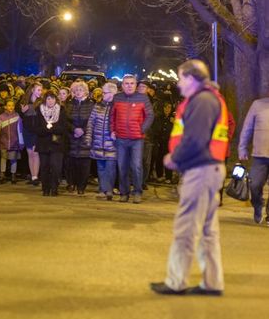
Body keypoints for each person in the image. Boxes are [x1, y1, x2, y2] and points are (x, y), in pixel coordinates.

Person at [151, 59, 229, 296]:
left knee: (186, 227)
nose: (178, 83)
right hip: (210, 169)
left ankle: (176, 282)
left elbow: (195, 139)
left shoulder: (202, 101)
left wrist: (174, 158)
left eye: (181, 77)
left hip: (201, 170)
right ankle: (212, 282)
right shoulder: (208, 99)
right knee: (207, 230)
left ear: (192, 79)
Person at [111, 74, 154, 203]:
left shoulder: (143, 98)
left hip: (137, 139)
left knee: (136, 166)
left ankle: (137, 192)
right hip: (121, 138)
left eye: (132, 83)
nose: (129, 86)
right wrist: (112, 130)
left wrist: (142, 129)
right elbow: (112, 116)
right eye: (126, 83)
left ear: (136, 85)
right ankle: (124, 193)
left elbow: (150, 115)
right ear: (122, 85)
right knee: (122, 166)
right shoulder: (117, 98)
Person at [238, 94, 269, 225]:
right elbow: (247, 128)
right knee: (254, 185)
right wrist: (242, 148)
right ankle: (258, 205)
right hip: (260, 156)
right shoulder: (257, 105)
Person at [86, 82, 117, 201]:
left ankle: (108, 190)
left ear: (113, 93)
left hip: (112, 143)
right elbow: (91, 122)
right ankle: (102, 190)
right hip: (98, 142)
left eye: (105, 92)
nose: (102, 94)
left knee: (110, 167)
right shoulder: (98, 106)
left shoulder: (117, 106)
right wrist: (89, 137)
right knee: (101, 168)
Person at [34, 92, 67, 196]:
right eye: (48, 99)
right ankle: (45, 188)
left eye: (52, 99)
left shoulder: (61, 110)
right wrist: (48, 130)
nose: (50, 101)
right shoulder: (39, 111)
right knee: (44, 167)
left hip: (56, 144)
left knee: (55, 167)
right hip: (43, 143)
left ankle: (54, 188)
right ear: (45, 100)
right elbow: (37, 128)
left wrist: (51, 128)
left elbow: (63, 128)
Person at [65, 80, 93, 195]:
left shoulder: (91, 104)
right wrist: (74, 129)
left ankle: (81, 186)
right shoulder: (69, 104)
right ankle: (71, 183)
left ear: (85, 91)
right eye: (76, 90)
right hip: (71, 137)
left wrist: (83, 130)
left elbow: (93, 120)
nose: (78, 92)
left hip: (85, 137)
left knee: (84, 164)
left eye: (80, 90)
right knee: (70, 163)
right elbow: (65, 120)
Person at [0, 99, 24, 184]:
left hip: (14, 142)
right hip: (3, 142)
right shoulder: (1, 117)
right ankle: (2, 174)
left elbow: (20, 131)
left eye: (12, 105)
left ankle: (13, 174)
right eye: (9, 105)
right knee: (3, 158)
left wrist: (21, 142)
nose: (11, 107)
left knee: (13, 159)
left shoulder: (17, 116)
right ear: (5, 107)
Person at [20, 82, 43, 186]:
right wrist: (22, 111)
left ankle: (36, 176)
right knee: (30, 153)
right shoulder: (25, 101)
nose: (40, 92)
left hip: (36, 131)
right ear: (33, 90)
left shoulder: (41, 102)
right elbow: (20, 115)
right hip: (27, 130)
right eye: (38, 90)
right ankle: (33, 175)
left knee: (35, 152)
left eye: (41, 90)